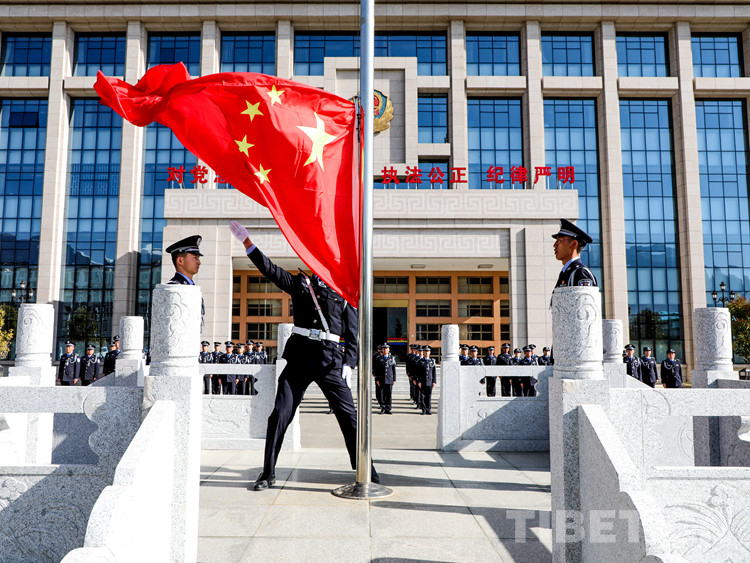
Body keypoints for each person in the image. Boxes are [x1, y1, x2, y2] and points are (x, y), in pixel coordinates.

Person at [229, 220, 379, 490]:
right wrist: (247, 243)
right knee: (279, 414)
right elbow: (270, 270)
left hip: (330, 361)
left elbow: (353, 332)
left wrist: (349, 362)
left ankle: (365, 468)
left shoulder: (343, 291)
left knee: (349, 416)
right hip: (299, 360)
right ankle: (267, 473)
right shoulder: (301, 283)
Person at [552, 218, 598, 288]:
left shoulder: (580, 272)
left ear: (573, 244)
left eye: (559, 241)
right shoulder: (567, 272)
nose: (554, 245)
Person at [373, 342, 396, 414]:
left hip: (389, 378)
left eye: (386, 348)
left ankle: (388, 408)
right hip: (381, 379)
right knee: (381, 394)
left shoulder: (392, 358)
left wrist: (394, 379)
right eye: (384, 348)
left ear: (389, 349)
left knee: (388, 394)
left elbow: (394, 370)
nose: (385, 350)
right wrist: (377, 379)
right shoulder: (379, 359)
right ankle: (383, 407)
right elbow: (376, 370)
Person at [416, 345, 436, 415]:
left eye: (428, 351)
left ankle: (428, 409)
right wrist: (418, 381)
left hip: (429, 381)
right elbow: (418, 372)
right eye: (425, 351)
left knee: (429, 396)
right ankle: (423, 409)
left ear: (430, 352)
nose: (427, 353)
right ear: (423, 352)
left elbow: (434, 372)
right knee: (422, 396)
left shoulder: (432, 361)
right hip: (423, 381)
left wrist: (434, 381)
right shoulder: (420, 361)